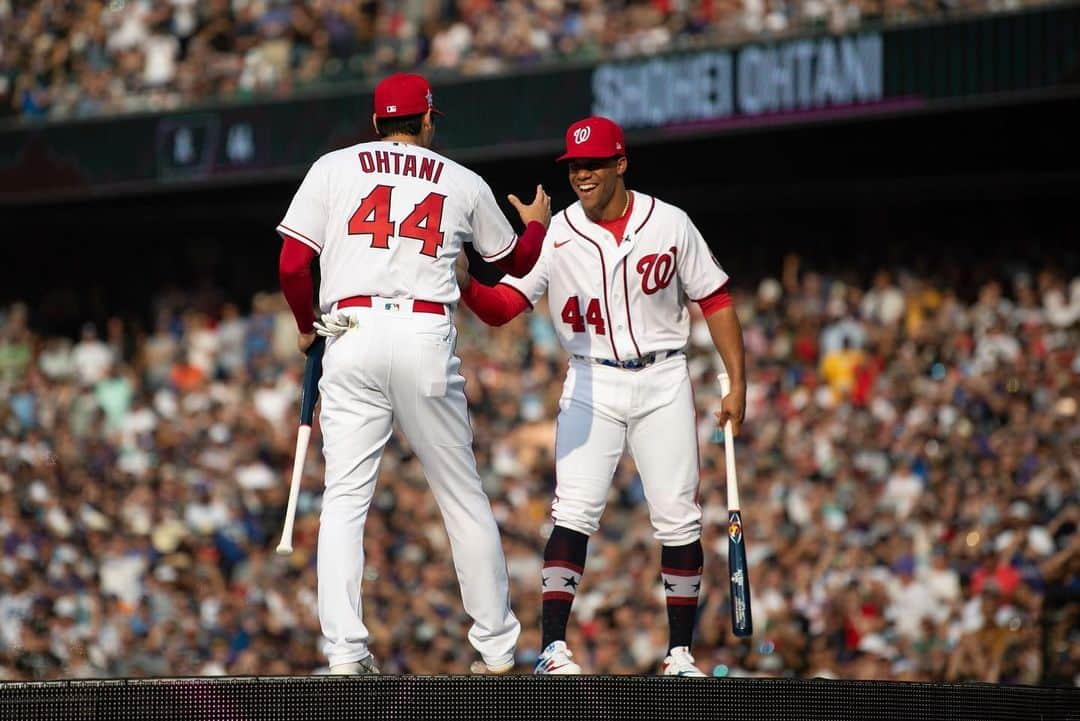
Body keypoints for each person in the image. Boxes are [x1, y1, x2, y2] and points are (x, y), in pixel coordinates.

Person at [276, 72, 552, 675]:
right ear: (427, 121)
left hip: (349, 332)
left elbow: (294, 263)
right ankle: (498, 651)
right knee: (461, 496)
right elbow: (517, 263)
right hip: (424, 332)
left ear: (375, 124)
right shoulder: (461, 181)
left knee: (346, 501)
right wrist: (535, 222)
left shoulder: (333, 167)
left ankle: (346, 656)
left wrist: (305, 324)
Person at [457, 116, 746, 676]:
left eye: (592, 164)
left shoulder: (670, 223)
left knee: (679, 519)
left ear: (620, 163)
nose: (581, 174)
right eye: (574, 166)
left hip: (664, 377)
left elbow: (716, 298)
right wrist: (463, 278)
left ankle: (680, 654)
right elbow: (501, 310)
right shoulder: (558, 234)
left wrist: (738, 382)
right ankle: (553, 649)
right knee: (573, 511)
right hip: (592, 380)